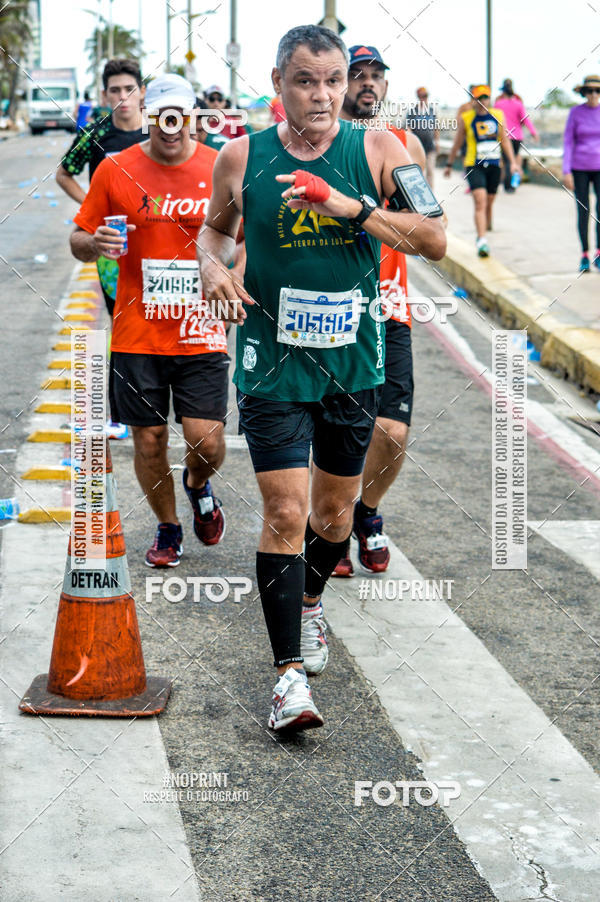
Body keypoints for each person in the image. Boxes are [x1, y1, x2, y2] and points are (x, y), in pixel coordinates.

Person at [198, 25, 446, 732]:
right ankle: (286, 681)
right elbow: (215, 232)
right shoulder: (241, 156)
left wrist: (349, 207)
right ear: (278, 83)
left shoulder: (377, 149)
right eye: (306, 80)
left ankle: (309, 606)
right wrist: (212, 266)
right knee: (283, 512)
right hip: (269, 361)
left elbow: (433, 238)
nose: (323, 94)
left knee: (333, 515)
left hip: (353, 361)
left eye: (333, 80)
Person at [70, 74, 229, 568]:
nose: (171, 125)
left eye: (179, 114)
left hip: (201, 327)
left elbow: (243, 235)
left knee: (206, 439)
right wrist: (95, 244)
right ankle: (168, 525)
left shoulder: (219, 167)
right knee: (148, 437)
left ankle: (198, 485)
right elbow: (77, 238)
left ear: (192, 117)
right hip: (138, 329)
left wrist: (229, 270)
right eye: (161, 114)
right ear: (147, 116)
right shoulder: (115, 169)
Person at [335, 44, 428, 577]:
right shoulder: (319, 145)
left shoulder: (402, 144)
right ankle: (332, 524)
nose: (367, 84)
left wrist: (365, 213)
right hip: (329, 314)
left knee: (391, 432)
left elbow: (428, 229)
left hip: (388, 309)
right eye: (358, 75)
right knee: (335, 431)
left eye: (376, 76)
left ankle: (366, 513)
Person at [57, 59, 146, 318]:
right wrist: (92, 207)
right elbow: (64, 174)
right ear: (104, 95)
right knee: (119, 314)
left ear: (142, 91)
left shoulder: (158, 131)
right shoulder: (95, 134)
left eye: (129, 89)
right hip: (113, 237)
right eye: (115, 90)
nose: (123, 97)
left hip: (155, 231)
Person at [444, 84, 518, 257]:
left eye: (486, 98)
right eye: (479, 98)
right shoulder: (466, 117)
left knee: (489, 200)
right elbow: (457, 141)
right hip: (474, 164)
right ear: (474, 101)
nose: (483, 101)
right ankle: (482, 239)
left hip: (494, 165)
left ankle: (486, 222)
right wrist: (449, 163)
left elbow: (505, 141)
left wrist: (513, 163)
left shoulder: (498, 115)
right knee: (480, 200)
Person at [562, 75, 600, 273]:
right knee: (583, 211)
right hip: (579, 168)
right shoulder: (576, 113)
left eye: (597, 91)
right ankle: (585, 254)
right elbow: (568, 142)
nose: (594, 94)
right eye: (590, 91)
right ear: (584, 92)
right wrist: (566, 170)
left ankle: (599, 253)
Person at [495, 78, 538, 192]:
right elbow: (525, 120)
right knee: (514, 159)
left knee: (507, 161)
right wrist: (533, 133)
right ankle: (513, 183)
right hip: (517, 137)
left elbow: (494, 120)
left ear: (503, 91)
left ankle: (508, 185)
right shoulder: (518, 104)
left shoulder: (498, 104)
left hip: (504, 136)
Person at [406, 86, 439, 187]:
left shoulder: (432, 111)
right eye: (421, 96)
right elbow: (408, 127)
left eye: (425, 96)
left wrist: (437, 142)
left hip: (430, 146)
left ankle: (431, 195)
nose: (423, 99)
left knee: (430, 171)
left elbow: (435, 127)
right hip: (417, 146)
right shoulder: (412, 111)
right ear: (418, 97)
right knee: (419, 171)